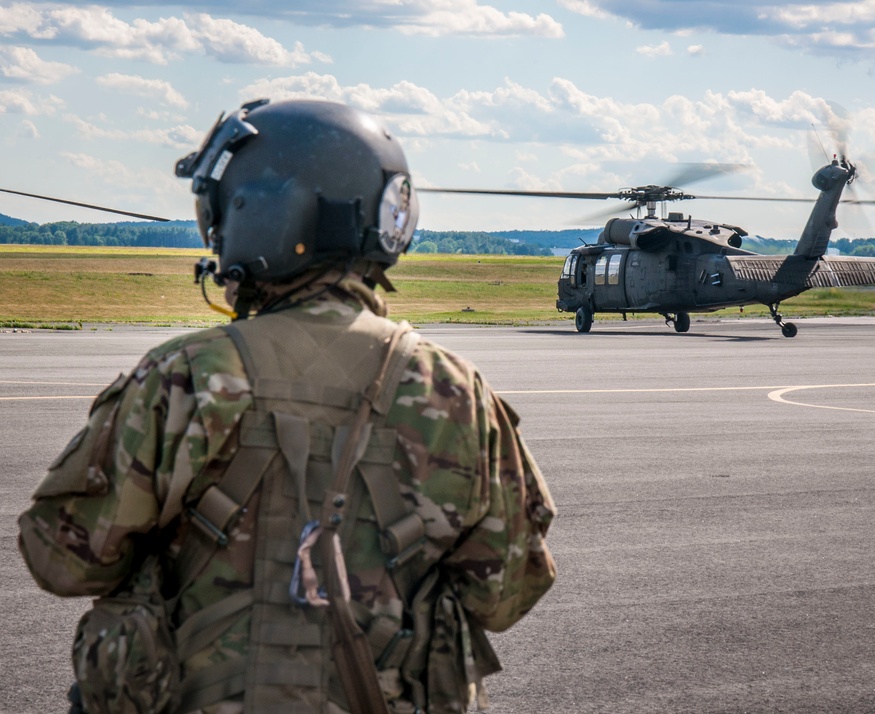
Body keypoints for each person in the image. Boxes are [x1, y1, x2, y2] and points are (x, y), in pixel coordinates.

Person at [18, 99, 556, 714]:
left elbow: (61, 560)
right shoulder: (457, 391)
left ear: (257, 215)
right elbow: (508, 594)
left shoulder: (184, 377)